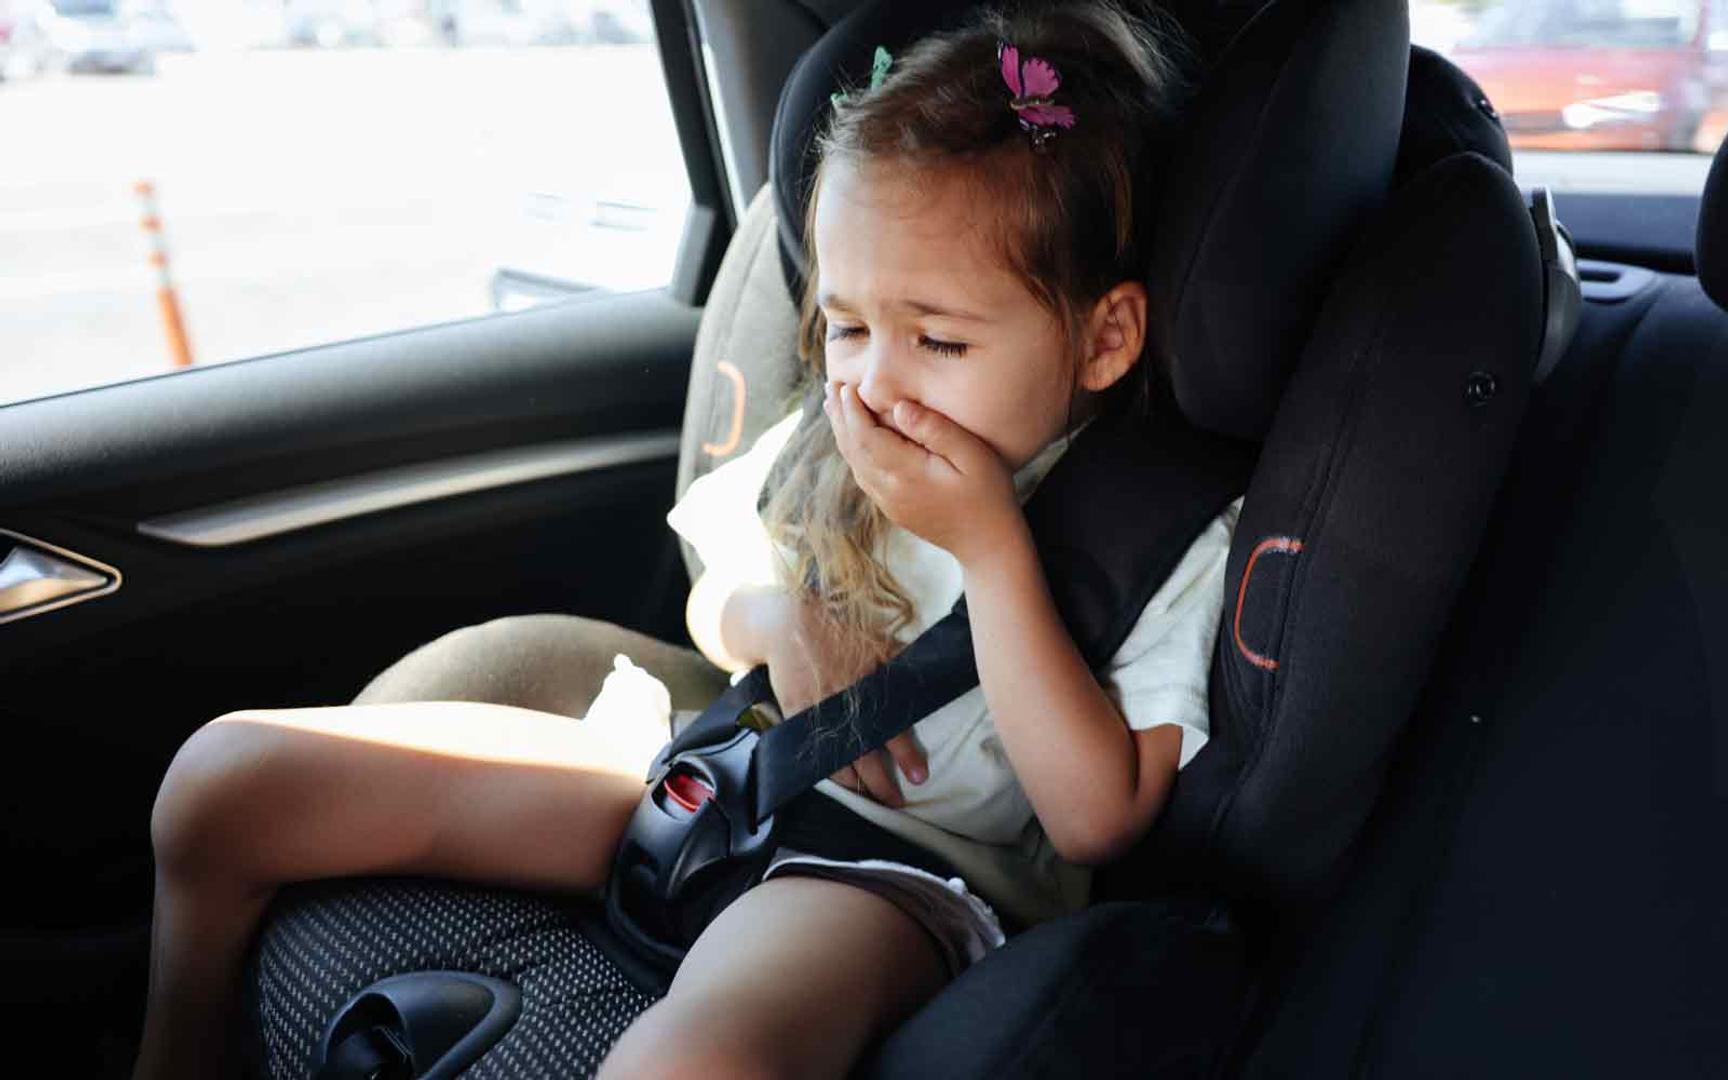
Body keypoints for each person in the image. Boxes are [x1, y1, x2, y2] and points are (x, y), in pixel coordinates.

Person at [131, 2, 1243, 1077]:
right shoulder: (838, 433)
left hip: (898, 871)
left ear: (1104, 338)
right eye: (847, 325)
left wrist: (994, 555)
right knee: (223, 783)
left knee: (696, 1063)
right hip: (711, 766)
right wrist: (783, 617)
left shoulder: (1159, 538)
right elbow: (714, 598)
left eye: (939, 341)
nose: (870, 377)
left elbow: (1097, 817)